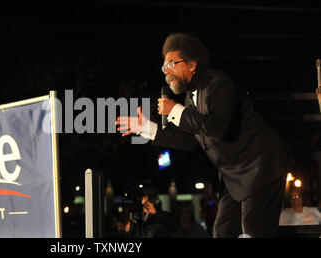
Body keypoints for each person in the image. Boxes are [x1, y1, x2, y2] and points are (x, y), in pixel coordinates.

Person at [116, 32, 291, 237]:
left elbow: (218, 128)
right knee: (223, 231)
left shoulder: (219, 84)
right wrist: (146, 128)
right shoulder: (191, 98)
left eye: (172, 64)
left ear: (192, 64)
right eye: (165, 67)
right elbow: (189, 139)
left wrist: (174, 110)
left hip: (261, 166)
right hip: (235, 176)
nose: (167, 72)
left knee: (254, 230)